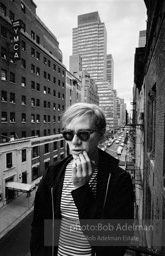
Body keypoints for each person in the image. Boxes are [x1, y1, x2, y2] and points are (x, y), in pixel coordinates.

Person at [30, 102, 134, 256]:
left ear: (101, 134)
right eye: (68, 134)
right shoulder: (53, 173)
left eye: (83, 134)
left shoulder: (118, 180)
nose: (74, 142)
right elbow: (39, 226)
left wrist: (81, 189)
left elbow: (114, 245)